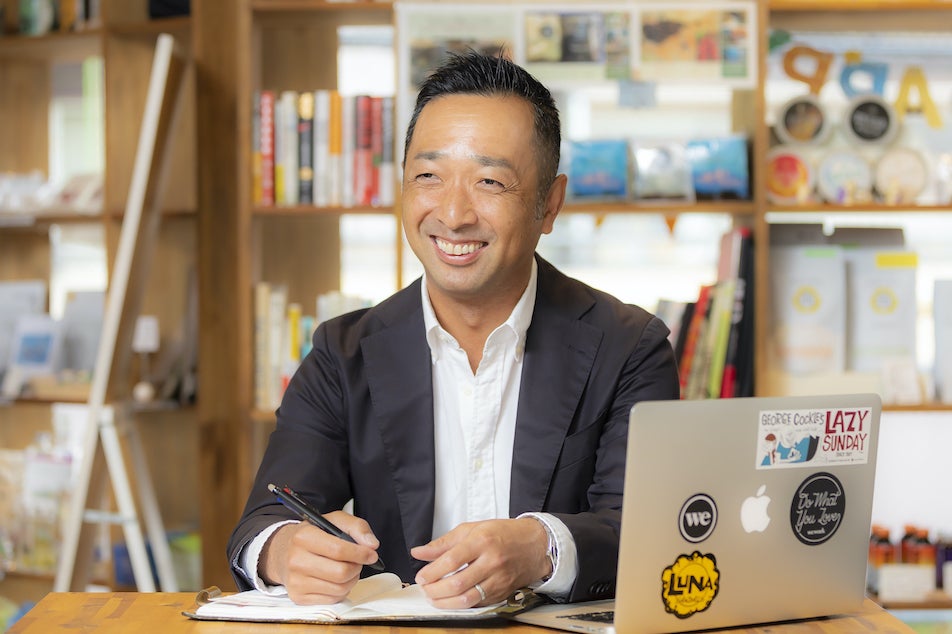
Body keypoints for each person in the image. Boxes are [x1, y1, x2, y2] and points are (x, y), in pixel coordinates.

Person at [227, 50, 680, 610]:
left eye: (490, 181)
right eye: (428, 176)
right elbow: (264, 523)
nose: (454, 214)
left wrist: (541, 548)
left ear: (549, 204)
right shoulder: (342, 353)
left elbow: (645, 532)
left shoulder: (629, 347)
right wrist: (286, 551)